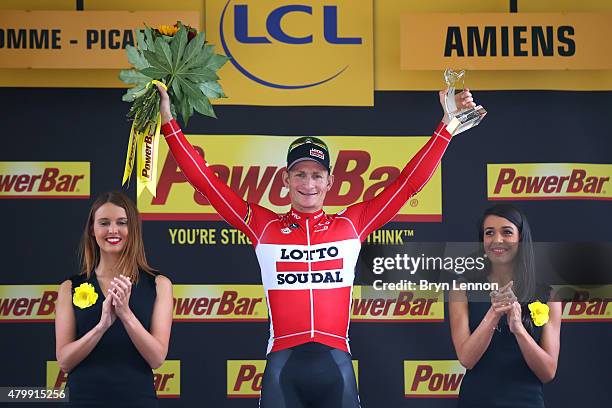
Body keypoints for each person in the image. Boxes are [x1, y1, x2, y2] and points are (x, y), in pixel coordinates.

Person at [156, 85, 476, 408]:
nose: (308, 184)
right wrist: (168, 119)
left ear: (329, 182)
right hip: (283, 369)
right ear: (285, 179)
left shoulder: (351, 224)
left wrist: (447, 125)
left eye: (317, 175)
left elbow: (407, 185)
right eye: (300, 174)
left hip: (336, 368)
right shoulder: (264, 225)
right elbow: (208, 185)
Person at [55, 191, 173, 407]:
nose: (112, 230)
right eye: (104, 223)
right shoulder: (69, 287)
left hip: (138, 401)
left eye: (121, 222)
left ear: (133, 229)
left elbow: (157, 358)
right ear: (92, 229)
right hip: (83, 400)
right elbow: (64, 361)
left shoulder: (159, 285)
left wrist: (126, 315)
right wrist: (101, 326)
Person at [449, 204, 561, 408]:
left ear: (520, 238)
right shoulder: (462, 289)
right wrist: (493, 314)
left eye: (507, 232)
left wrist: (519, 330)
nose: (497, 240)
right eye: (489, 233)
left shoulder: (548, 294)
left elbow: (548, 372)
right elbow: (466, 359)